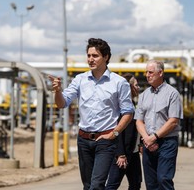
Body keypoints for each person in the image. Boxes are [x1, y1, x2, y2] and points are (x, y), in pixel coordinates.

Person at [49, 38, 134, 190]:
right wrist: (57, 91)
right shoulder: (80, 80)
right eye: (88, 55)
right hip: (83, 140)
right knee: (88, 186)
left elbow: (128, 112)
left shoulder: (119, 82)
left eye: (95, 56)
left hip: (105, 140)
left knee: (96, 185)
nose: (90, 59)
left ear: (106, 57)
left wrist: (114, 133)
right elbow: (62, 103)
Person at [135, 59, 183, 190]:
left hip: (166, 143)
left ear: (160, 72)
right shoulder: (144, 95)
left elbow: (173, 121)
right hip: (147, 143)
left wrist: (154, 137)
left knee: (163, 179)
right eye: (146, 72)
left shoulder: (172, 94)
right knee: (151, 184)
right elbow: (139, 120)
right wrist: (146, 138)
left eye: (150, 72)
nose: (147, 75)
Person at [105, 73, 142, 190]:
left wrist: (140, 143)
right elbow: (117, 131)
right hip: (122, 153)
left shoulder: (132, 104)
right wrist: (120, 154)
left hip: (133, 151)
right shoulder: (121, 106)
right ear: (128, 87)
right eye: (136, 85)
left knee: (136, 184)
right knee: (113, 184)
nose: (138, 87)